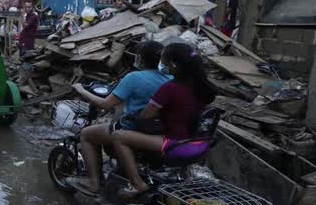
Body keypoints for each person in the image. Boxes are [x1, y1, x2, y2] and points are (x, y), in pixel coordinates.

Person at [112, 43, 216, 195]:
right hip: (200, 144)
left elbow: (146, 116)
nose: (162, 65)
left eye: (163, 61)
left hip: (175, 143)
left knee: (118, 136)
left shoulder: (170, 88)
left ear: (173, 65)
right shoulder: (202, 87)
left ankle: (137, 183)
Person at [66, 41, 168, 194]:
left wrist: (81, 90)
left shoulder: (133, 78)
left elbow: (106, 105)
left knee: (87, 134)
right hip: (156, 130)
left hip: (134, 129)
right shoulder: (169, 78)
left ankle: (93, 182)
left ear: (140, 58)